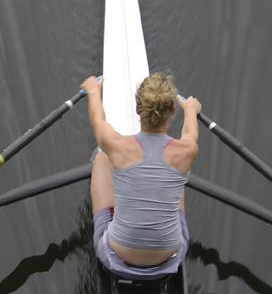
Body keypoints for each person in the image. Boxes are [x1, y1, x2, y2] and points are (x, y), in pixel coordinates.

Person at [81, 71, 202, 280]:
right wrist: (191, 110)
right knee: (179, 174)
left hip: (117, 257)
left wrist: (93, 91)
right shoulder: (187, 150)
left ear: (138, 109)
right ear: (172, 110)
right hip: (170, 258)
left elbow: (97, 119)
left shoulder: (116, 144)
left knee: (102, 158)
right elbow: (191, 133)